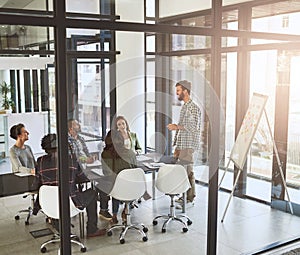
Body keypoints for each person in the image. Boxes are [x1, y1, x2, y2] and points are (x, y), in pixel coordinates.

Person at [36, 133, 106, 237]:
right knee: (92, 193)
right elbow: (83, 177)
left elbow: (38, 181)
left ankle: (60, 229)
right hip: (69, 202)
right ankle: (92, 229)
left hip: (48, 203)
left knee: (56, 195)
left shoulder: (40, 161)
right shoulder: (71, 160)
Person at [167, 80, 201, 207]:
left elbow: (193, 127)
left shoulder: (193, 107)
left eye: (179, 91)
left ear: (185, 91)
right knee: (186, 171)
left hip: (188, 145)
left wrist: (176, 127)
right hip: (183, 144)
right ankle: (188, 196)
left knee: (187, 171)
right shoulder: (185, 106)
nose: (177, 94)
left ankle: (187, 197)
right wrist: (177, 146)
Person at [96, 129, 137, 224]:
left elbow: (105, 172)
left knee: (103, 184)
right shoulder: (130, 153)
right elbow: (135, 170)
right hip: (131, 187)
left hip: (115, 187)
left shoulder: (105, 154)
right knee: (122, 184)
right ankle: (126, 209)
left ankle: (110, 213)